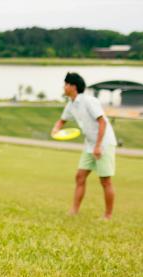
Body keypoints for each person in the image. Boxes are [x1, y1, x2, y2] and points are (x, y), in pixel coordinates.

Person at [52, 72, 118, 220]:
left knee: (105, 180)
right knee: (80, 176)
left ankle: (107, 215)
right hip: (90, 145)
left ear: (73, 86)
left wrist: (98, 146)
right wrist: (56, 129)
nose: (64, 87)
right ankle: (74, 210)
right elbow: (62, 120)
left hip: (104, 144)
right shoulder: (71, 104)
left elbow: (103, 122)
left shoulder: (89, 101)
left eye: (65, 84)